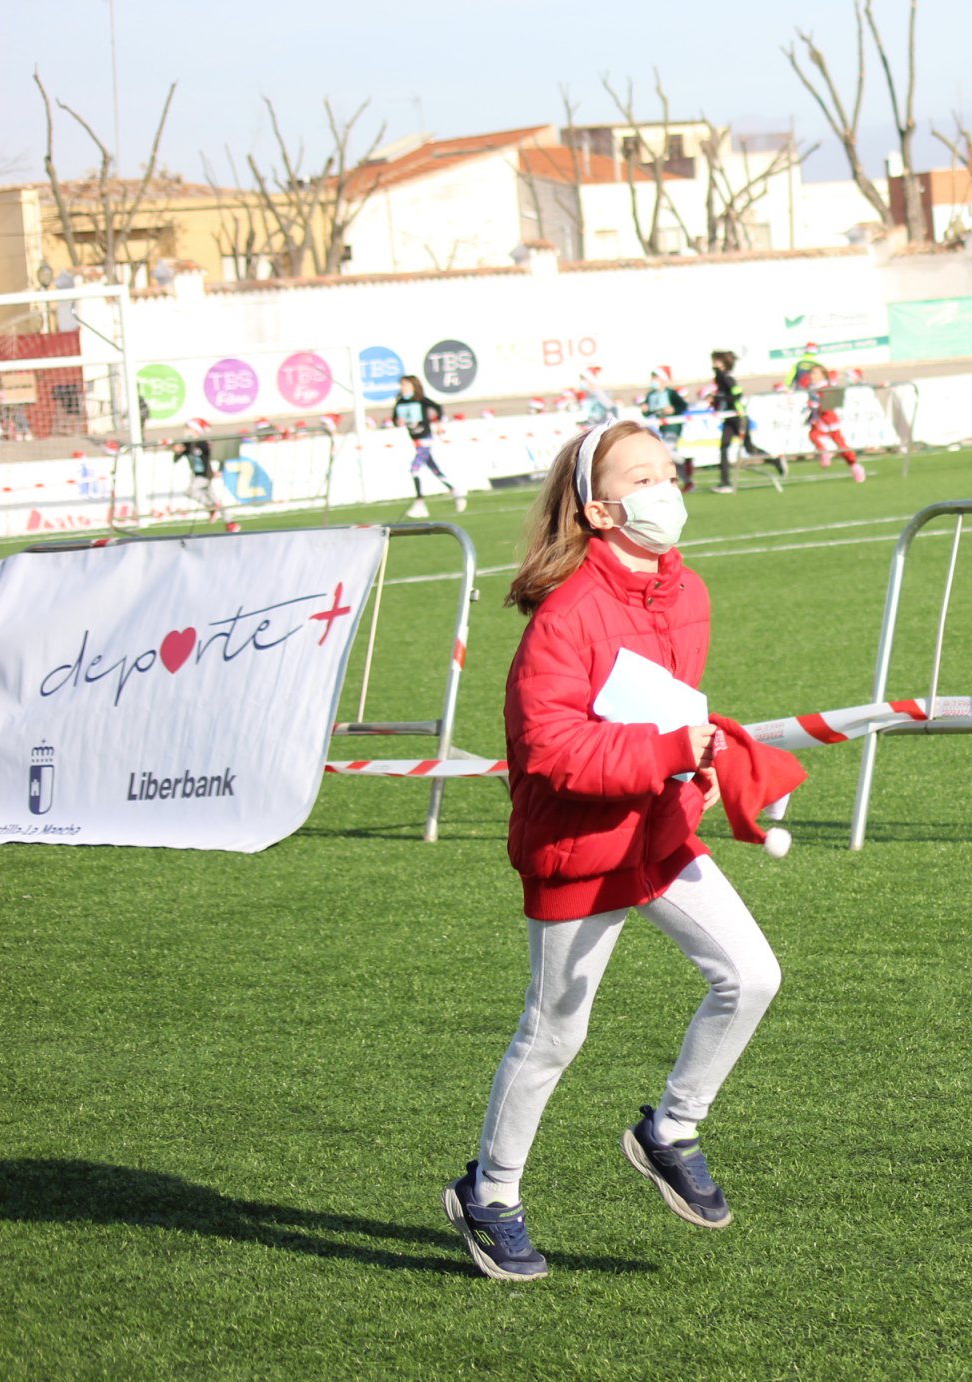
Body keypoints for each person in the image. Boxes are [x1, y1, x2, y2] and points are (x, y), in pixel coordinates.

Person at [444, 419, 805, 1282]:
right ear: (600, 510)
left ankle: (669, 1131)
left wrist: (700, 768)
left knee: (753, 975)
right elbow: (555, 753)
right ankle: (489, 1193)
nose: (664, 488)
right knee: (555, 1031)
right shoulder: (565, 616)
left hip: (658, 831)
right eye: (641, 478)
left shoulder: (688, 592)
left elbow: (669, 708)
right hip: (576, 842)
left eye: (667, 471)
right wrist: (676, 753)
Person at [786, 344, 864, 482]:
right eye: (811, 373)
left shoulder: (825, 387)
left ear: (822, 375)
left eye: (814, 373)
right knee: (813, 434)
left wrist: (814, 404)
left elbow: (827, 403)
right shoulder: (811, 386)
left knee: (841, 446)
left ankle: (855, 466)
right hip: (818, 418)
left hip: (828, 419)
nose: (811, 376)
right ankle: (825, 452)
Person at [393, 375, 465, 517]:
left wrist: (439, 424)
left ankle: (420, 503)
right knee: (435, 470)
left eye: (406, 385)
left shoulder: (421, 400)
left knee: (414, 469)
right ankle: (456, 492)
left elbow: (438, 408)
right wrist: (398, 421)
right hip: (415, 441)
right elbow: (395, 419)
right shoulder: (400, 402)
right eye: (402, 385)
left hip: (425, 440)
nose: (403, 388)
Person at [709, 350, 780, 491]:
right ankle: (725, 482)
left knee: (749, 448)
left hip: (738, 416)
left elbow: (736, 394)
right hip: (729, 417)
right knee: (724, 447)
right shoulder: (719, 376)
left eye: (716, 361)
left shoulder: (726, 377)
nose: (713, 363)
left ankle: (775, 460)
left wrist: (718, 398)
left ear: (723, 363)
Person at [172, 417, 240, 532]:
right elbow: (176, 458)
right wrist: (176, 451)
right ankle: (230, 523)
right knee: (215, 499)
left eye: (188, 428)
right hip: (196, 474)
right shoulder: (187, 443)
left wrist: (220, 469)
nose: (186, 430)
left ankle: (211, 507)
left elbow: (218, 455)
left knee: (191, 491)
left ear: (195, 429)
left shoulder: (203, 443)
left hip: (205, 475)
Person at [640, 366, 692, 489]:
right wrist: (645, 410)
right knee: (669, 455)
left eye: (656, 378)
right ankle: (687, 479)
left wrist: (673, 409)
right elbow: (648, 413)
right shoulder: (651, 394)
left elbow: (683, 406)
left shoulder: (671, 393)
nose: (653, 380)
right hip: (659, 428)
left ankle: (685, 462)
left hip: (672, 426)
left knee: (667, 452)